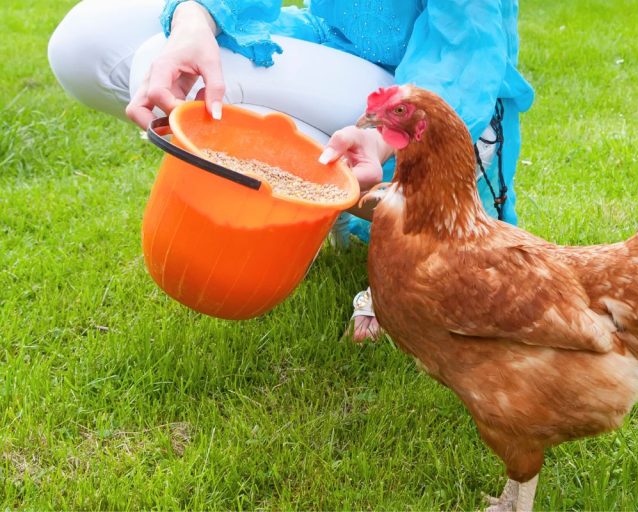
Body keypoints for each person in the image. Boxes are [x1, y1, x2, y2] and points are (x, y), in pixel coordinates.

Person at [48, 0, 534, 340]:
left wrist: (381, 133)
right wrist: (194, 28)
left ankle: (382, 210)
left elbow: (464, 51)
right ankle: (300, 188)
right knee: (84, 42)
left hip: (438, 100)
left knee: (198, 79)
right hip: (336, 47)